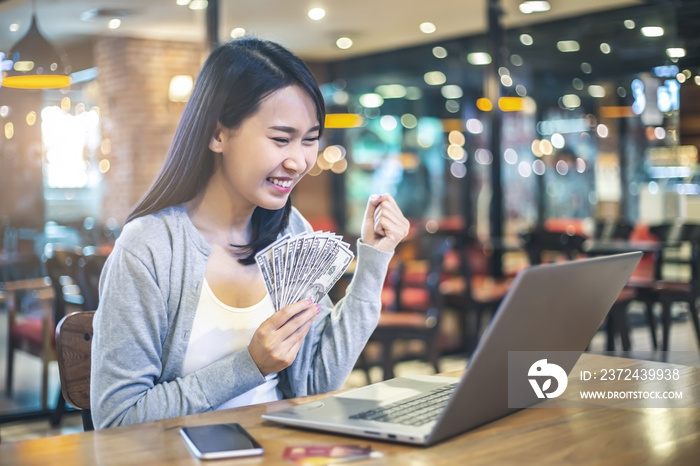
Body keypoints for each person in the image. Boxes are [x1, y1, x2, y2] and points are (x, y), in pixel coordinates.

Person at [90, 37, 409, 429]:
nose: (299, 161)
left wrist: (374, 260)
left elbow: (317, 381)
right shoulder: (150, 248)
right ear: (218, 134)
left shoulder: (292, 234)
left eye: (310, 140)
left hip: (279, 448)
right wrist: (249, 365)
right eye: (280, 139)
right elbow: (118, 420)